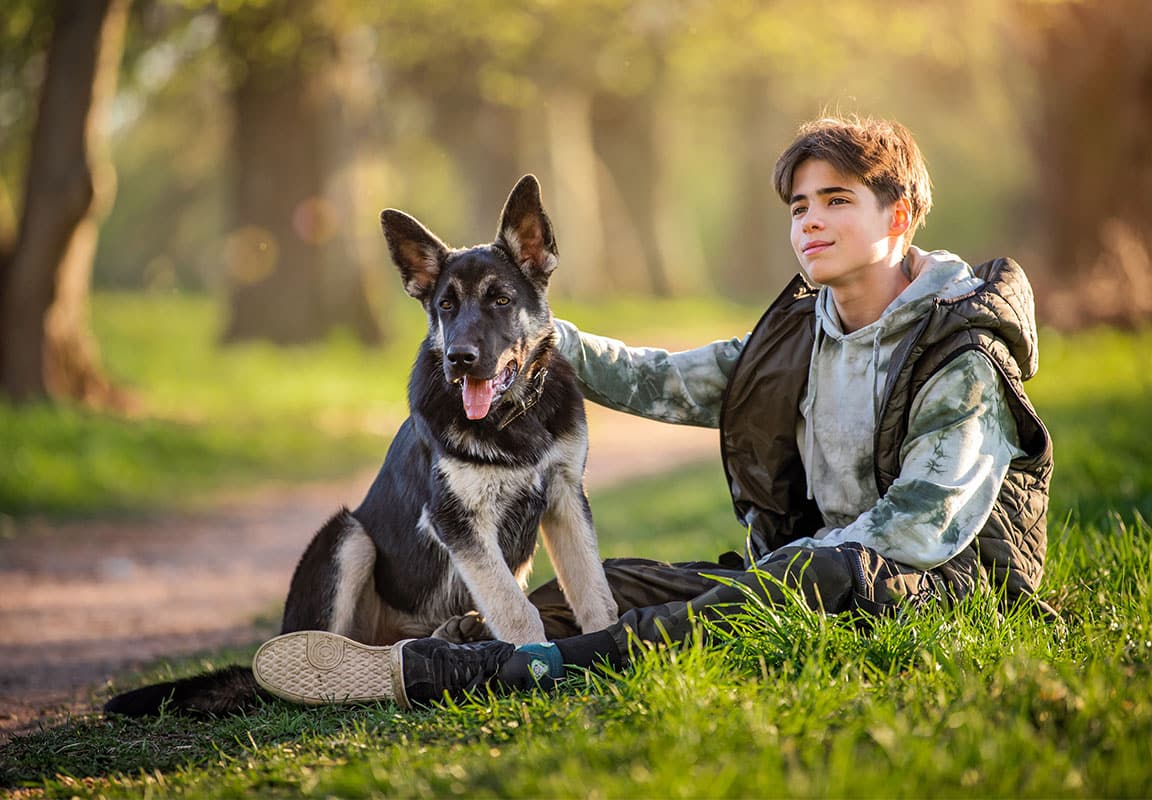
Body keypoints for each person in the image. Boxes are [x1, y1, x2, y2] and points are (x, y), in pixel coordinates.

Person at [252, 115, 1053, 709]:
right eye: (798, 205)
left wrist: (787, 566)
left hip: (934, 585)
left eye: (836, 200)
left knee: (799, 575)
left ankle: (515, 667)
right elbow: (662, 380)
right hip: (810, 566)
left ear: (899, 216)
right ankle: (428, 654)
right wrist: (519, 333)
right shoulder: (802, 337)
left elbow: (922, 524)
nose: (809, 220)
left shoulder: (960, 353)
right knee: (620, 584)